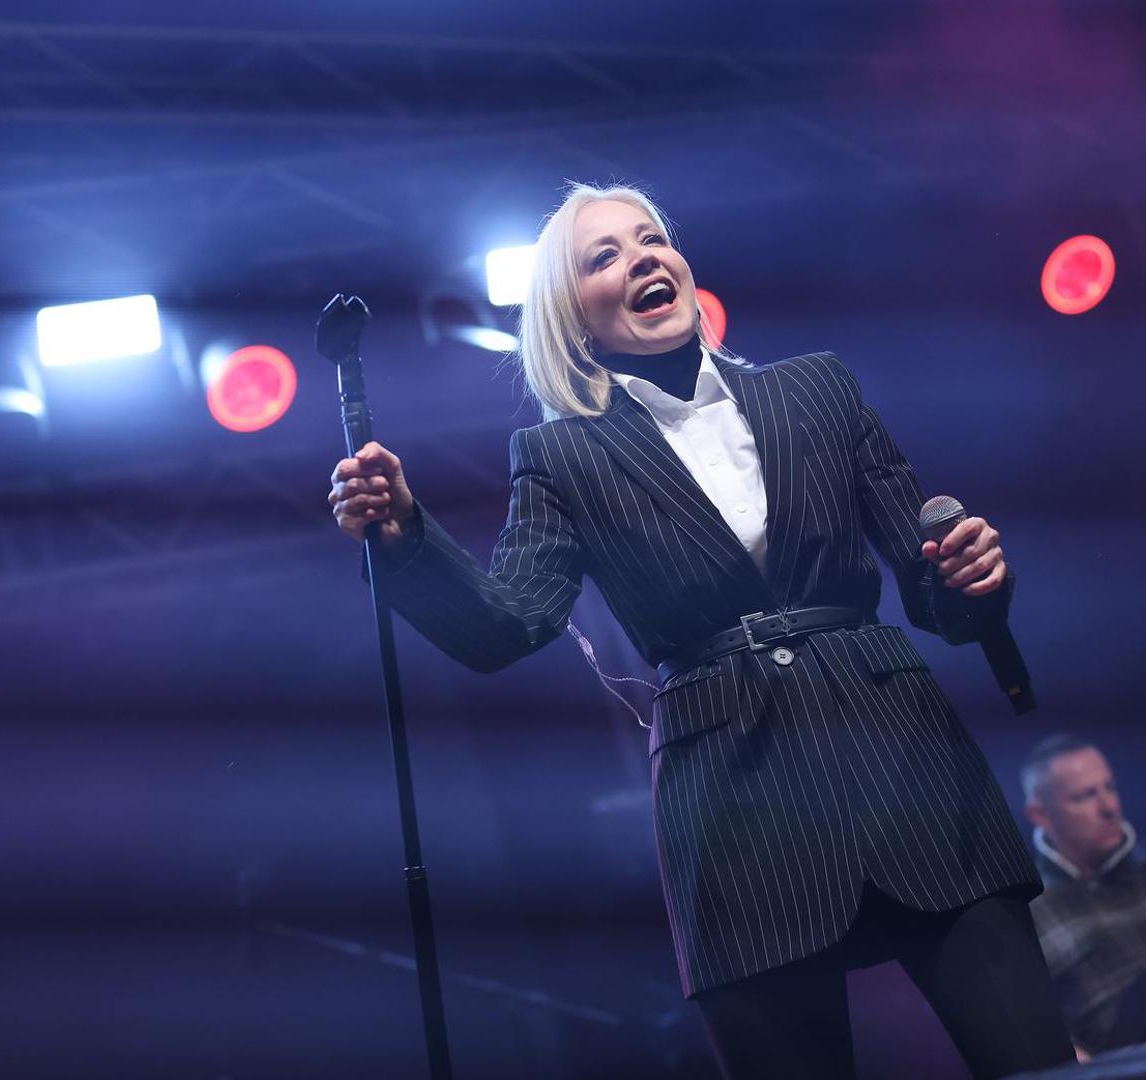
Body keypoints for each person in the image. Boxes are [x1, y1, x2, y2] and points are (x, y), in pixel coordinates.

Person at [327, 183, 1075, 1079]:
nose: (642, 257)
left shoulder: (818, 389)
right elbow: (505, 626)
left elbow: (934, 596)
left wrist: (972, 578)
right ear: (571, 320)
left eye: (651, 239)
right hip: (732, 815)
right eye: (604, 256)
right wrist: (406, 537)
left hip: (906, 765)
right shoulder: (562, 455)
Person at [1022, 735, 1146, 1057]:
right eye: (1084, 796)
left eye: (1110, 788)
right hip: (1139, 1067)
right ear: (1040, 815)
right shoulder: (1027, 915)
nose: (1109, 807)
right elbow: (1029, 1027)